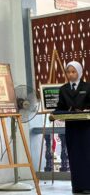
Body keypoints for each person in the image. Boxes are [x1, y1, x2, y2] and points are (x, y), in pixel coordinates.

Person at [56, 61, 90, 194]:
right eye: (68, 72)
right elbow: (60, 107)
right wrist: (54, 114)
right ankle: (77, 186)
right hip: (71, 128)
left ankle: (88, 185)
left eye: (73, 71)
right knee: (74, 156)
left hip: (86, 128)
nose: (70, 74)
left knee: (86, 156)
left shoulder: (87, 87)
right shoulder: (63, 89)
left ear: (79, 72)